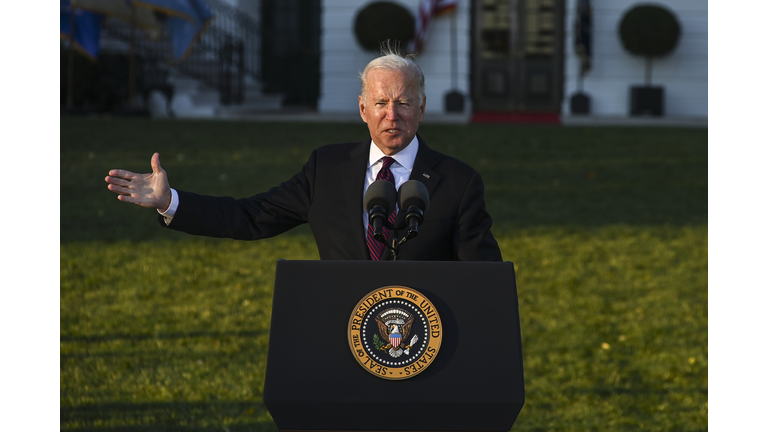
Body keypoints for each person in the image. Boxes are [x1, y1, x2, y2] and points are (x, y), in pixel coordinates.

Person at [105, 46, 502, 262]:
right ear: (363, 109)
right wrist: (170, 202)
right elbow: (250, 217)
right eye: (381, 103)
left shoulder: (458, 183)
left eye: (403, 102)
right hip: (341, 344)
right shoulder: (326, 169)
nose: (392, 115)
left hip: (423, 357)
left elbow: (483, 285)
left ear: (422, 108)